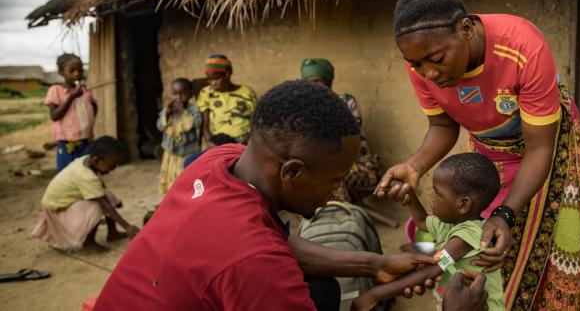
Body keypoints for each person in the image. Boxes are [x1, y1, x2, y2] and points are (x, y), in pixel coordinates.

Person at [94, 81, 437, 310]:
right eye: (333, 180)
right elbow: (260, 253)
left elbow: (278, 243)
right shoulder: (253, 261)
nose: (336, 191)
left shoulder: (220, 161)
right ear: (291, 172)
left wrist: (374, 266)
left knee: (323, 292)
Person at [375, 0, 580, 310]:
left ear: (465, 29)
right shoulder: (421, 63)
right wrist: (414, 166)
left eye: (436, 59)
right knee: (486, 248)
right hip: (488, 152)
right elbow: (442, 125)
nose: (429, 74)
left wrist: (506, 212)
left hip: (551, 148)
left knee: (558, 248)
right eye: (416, 65)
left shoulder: (522, 46)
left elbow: (540, 149)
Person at [353, 153, 505, 311]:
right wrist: (410, 194)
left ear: (463, 205)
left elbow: (434, 269)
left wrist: (375, 294)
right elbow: (420, 222)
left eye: (438, 194)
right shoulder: (448, 223)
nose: (432, 197)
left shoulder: (469, 234)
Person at [31, 136, 139, 252]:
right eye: (112, 165)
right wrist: (127, 226)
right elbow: (105, 205)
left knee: (108, 195)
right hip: (58, 209)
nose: (113, 169)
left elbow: (101, 190)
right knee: (96, 207)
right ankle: (89, 242)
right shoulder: (86, 177)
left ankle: (112, 233)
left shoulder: (87, 160)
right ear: (97, 160)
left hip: (64, 202)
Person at [301, 58, 378, 202]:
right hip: (321, 168)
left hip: (357, 166)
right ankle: (317, 219)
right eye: (306, 82)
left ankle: (339, 217)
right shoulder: (303, 108)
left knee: (330, 173)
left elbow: (344, 142)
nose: (311, 87)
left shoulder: (345, 102)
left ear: (328, 81)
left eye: (316, 81)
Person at [45, 53, 97, 172]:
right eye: (71, 70)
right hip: (66, 143)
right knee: (66, 173)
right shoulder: (56, 90)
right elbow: (54, 116)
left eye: (80, 70)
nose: (77, 74)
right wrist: (71, 98)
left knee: (86, 172)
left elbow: (94, 106)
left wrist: (89, 125)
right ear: (61, 72)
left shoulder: (85, 90)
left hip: (86, 142)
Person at [196, 54, 257, 143]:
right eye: (209, 79)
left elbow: (256, 121)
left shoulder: (247, 92)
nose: (213, 83)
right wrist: (212, 144)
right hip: (218, 143)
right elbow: (205, 127)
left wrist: (247, 140)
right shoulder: (206, 93)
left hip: (244, 142)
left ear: (227, 75)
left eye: (216, 79)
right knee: (191, 158)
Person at [157, 78, 202, 196]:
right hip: (170, 154)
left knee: (182, 179)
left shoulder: (193, 110)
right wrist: (167, 113)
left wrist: (183, 112)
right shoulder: (169, 109)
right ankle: (170, 200)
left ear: (190, 94)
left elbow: (197, 123)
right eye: (175, 94)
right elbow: (160, 126)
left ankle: (181, 200)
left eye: (182, 94)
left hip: (186, 154)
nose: (178, 97)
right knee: (168, 178)